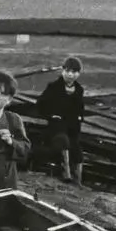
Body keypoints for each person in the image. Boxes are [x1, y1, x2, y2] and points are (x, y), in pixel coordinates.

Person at [36, 56, 85, 184]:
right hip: (57, 126)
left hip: (72, 127)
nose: (70, 75)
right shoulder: (53, 87)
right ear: (63, 71)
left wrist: (80, 117)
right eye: (67, 71)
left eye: (74, 72)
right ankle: (66, 174)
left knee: (77, 150)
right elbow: (40, 104)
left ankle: (78, 181)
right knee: (63, 141)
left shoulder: (79, 90)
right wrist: (51, 115)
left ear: (78, 74)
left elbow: (80, 108)